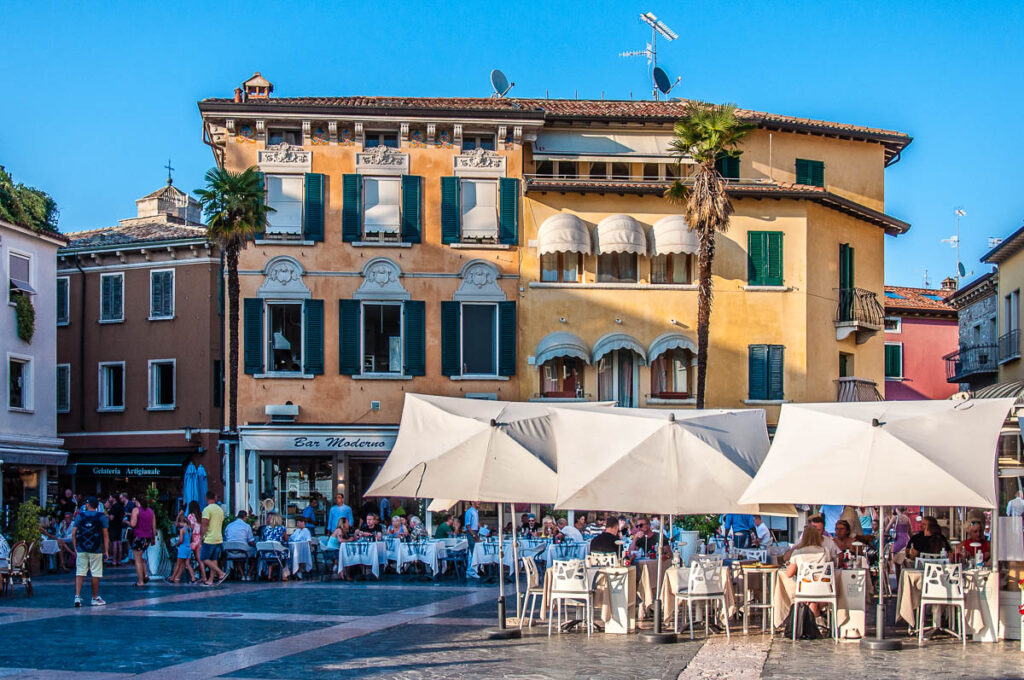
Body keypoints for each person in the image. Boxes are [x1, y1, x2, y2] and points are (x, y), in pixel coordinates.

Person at [784, 524, 830, 619]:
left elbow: (789, 574)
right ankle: (817, 619)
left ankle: (810, 622)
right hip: (823, 588)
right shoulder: (825, 551)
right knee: (814, 600)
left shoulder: (798, 552)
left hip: (804, 588)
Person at [71, 496, 109, 607]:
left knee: (80, 572)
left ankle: (77, 597)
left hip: (81, 548)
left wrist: (75, 547)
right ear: (97, 506)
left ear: (87, 505)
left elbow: (73, 533)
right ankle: (95, 597)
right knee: (95, 573)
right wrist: (106, 551)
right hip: (96, 549)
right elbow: (105, 535)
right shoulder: (102, 517)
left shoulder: (80, 516)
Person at [200, 491, 227, 586]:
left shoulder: (207, 510)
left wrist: (201, 536)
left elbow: (204, 524)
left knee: (203, 558)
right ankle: (210, 580)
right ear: (214, 498)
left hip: (210, 538)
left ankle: (221, 573)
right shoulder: (220, 510)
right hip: (218, 538)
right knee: (213, 559)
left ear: (206, 498)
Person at [129, 496, 155, 587]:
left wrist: (126, 522)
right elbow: (153, 527)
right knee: (141, 556)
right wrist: (153, 539)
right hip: (147, 537)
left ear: (136, 501)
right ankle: (145, 575)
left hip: (138, 536)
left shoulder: (136, 510)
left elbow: (133, 524)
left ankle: (140, 581)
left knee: (137, 559)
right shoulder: (151, 511)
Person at [168, 516, 197, 584]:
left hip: (182, 548)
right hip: (188, 548)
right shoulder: (189, 529)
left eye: (179, 523)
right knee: (188, 564)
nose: (179, 524)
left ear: (182, 522)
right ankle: (193, 577)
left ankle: (172, 577)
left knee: (178, 564)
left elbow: (181, 540)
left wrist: (176, 544)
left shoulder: (182, 530)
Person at [186, 500, 206, 583]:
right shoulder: (200, 516)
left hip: (193, 539)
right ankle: (204, 576)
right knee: (199, 559)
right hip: (200, 539)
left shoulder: (190, 516)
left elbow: (191, 528)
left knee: (186, 559)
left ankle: (192, 576)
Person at [106, 493, 125, 566]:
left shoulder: (114, 507)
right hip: (119, 525)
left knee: (114, 543)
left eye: (110, 497)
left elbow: (111, 518)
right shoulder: (120, 506)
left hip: (113, 526)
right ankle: (119, 560)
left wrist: (107, 514)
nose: (109, 499)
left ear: (114, 498)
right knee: (119, 543)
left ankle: (114, 560)